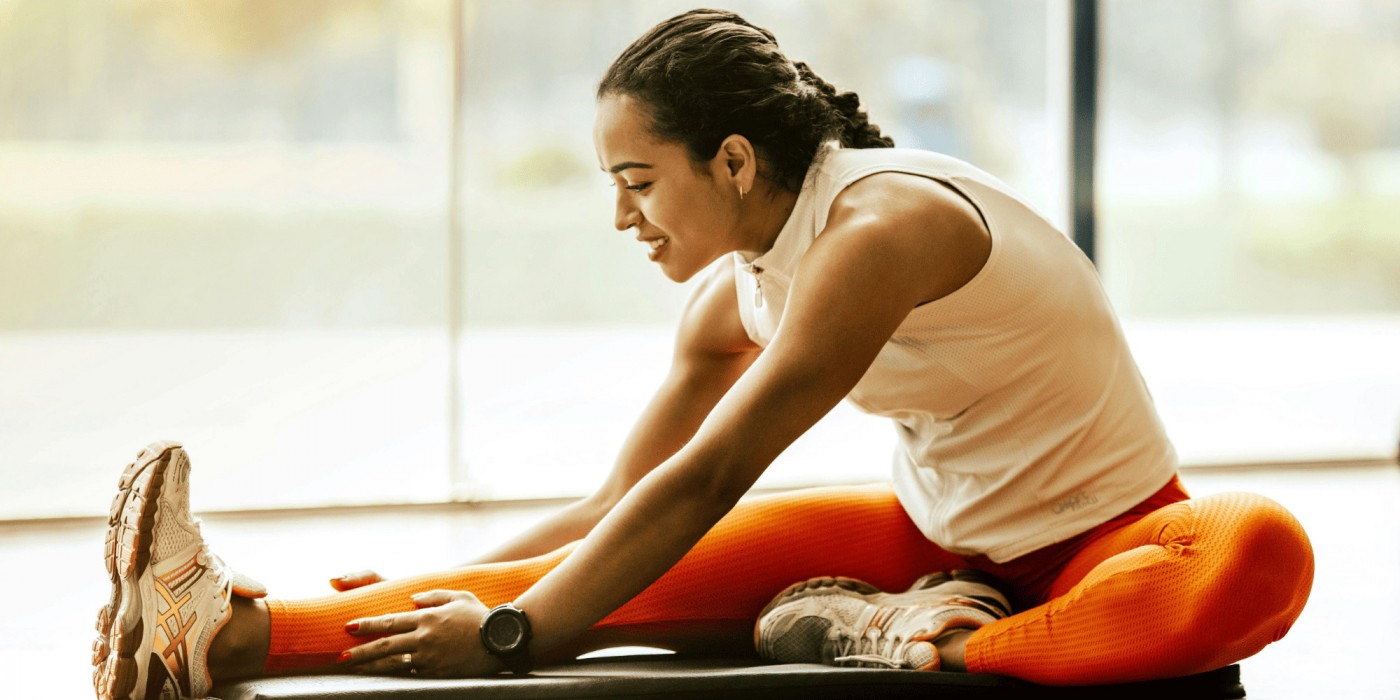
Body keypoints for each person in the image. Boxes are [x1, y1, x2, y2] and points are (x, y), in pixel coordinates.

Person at [91, 9, 1314, 700]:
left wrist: (520, 636)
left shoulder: (882, 230)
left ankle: (925, 638)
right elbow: (614, 508)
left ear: (732, 161)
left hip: (1112, 539)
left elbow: (713, 472)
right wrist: (421, 588)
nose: (624, 217)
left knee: (1260, 549)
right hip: (933, 539)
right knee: (597, 564)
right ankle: (211, 633)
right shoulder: (732, 295)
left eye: (639, 181)